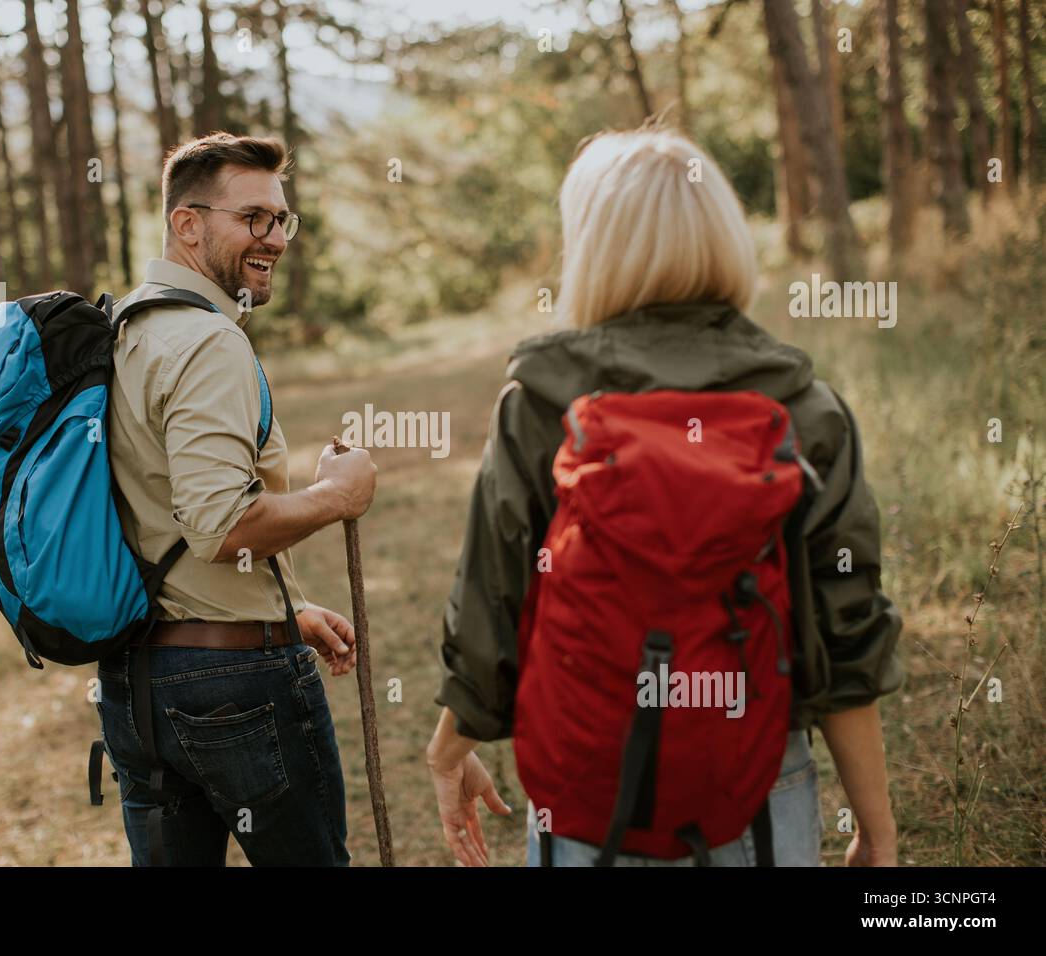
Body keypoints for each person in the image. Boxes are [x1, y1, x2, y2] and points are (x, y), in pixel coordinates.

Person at [425, 126, 903, 868]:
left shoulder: (541, 404)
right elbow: (849, 635)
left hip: (586, 784)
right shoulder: (806, 409)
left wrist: (450, 748)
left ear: (589, 246)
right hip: (756, 782)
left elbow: (493, 609)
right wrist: (876, 826)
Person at [97, 132, 376, 866]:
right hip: (235, 690)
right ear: (188, 225)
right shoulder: (208, 342)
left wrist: (292, 609)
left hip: (138, 686)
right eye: (253, 218)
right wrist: (333, 496)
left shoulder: (125, 329)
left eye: (282, 220)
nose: (275, 239)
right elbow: (222, 525)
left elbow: (161, 508)